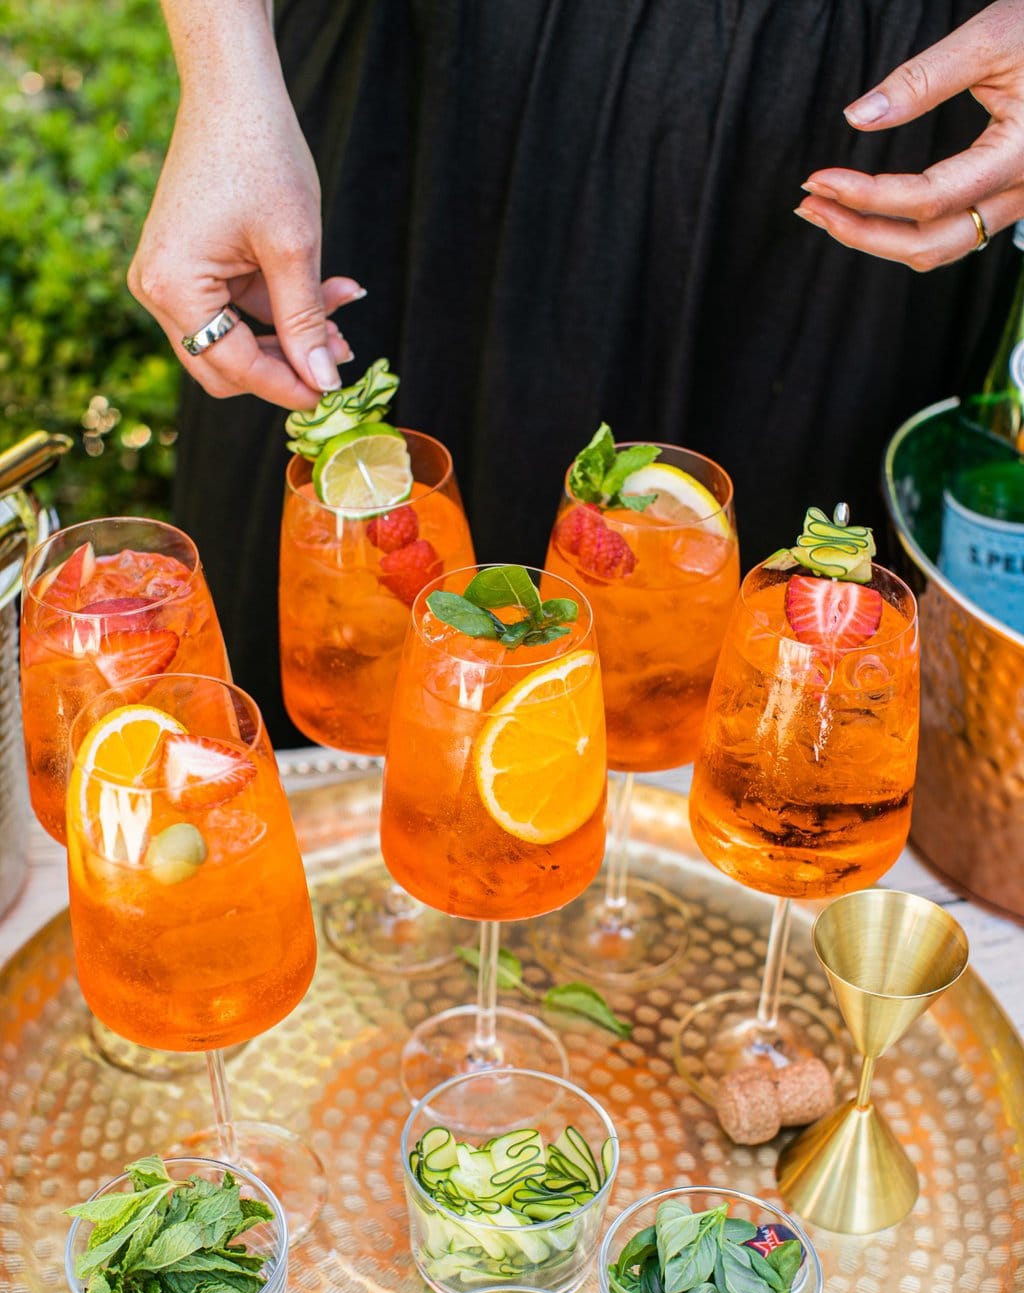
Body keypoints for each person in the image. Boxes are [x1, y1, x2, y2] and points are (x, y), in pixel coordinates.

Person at [129, 0, 1024, 746]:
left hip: (852, 120)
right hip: (426, 73)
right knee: (321, 667)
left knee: (760, 731)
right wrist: (224, 88)